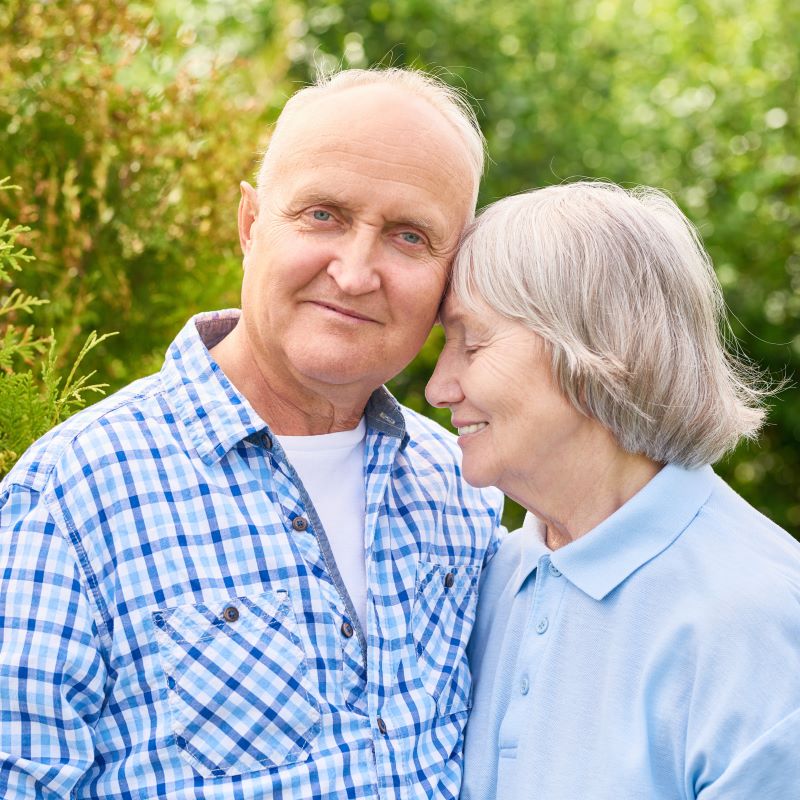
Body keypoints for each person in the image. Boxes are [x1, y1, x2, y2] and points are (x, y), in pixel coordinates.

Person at [0, 68, 503, 800]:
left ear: (449, 277)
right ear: (249, 225)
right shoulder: (73, 498)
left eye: (409, 236)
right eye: (323, 215)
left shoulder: (463, 486)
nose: (355, 273)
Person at [426, 181, 800, 799]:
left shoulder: (759, 623)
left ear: (598, 346)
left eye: (473, 342)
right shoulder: (488, 578)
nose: (438, 388)